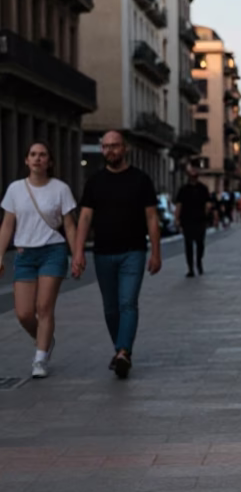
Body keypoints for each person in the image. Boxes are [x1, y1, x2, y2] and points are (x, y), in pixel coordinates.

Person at [72, 131, 161, 379]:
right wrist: (78, 252)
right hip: (103, 254)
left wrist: (156, 252)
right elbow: (85, 218)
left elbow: (152, 218)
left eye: (115, 146)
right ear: (102, 150)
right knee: (111, 308)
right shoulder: (95, 182)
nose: (111, 150)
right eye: (106, 146)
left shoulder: (141, 180)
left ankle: (123, 351)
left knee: (127, 303)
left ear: (125, 148)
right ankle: (120, 350)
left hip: (133, 252)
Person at [0, 141, 78, 378]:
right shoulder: (15, 189)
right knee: (24, 313)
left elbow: (70, 226)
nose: (37, 158)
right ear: (26, 160)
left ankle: (40, 359)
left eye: (43, 155)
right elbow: (7, 226)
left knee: (44, 307)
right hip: (25, 255)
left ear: (49, 162)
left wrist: (77, 255)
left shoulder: (60, 189)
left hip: (53, 251)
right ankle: (44, 339)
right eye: (33, 154)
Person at [174, 167, 213, 277]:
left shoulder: (203, 189)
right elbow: (179, 205)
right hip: (187, 220)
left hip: (200, 220)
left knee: (200, 243)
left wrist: (207, 214)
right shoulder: (183, 189)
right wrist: (177, 218)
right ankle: (191, 268)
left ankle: (199, 261)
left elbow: (208, 204)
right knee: (189, 245)